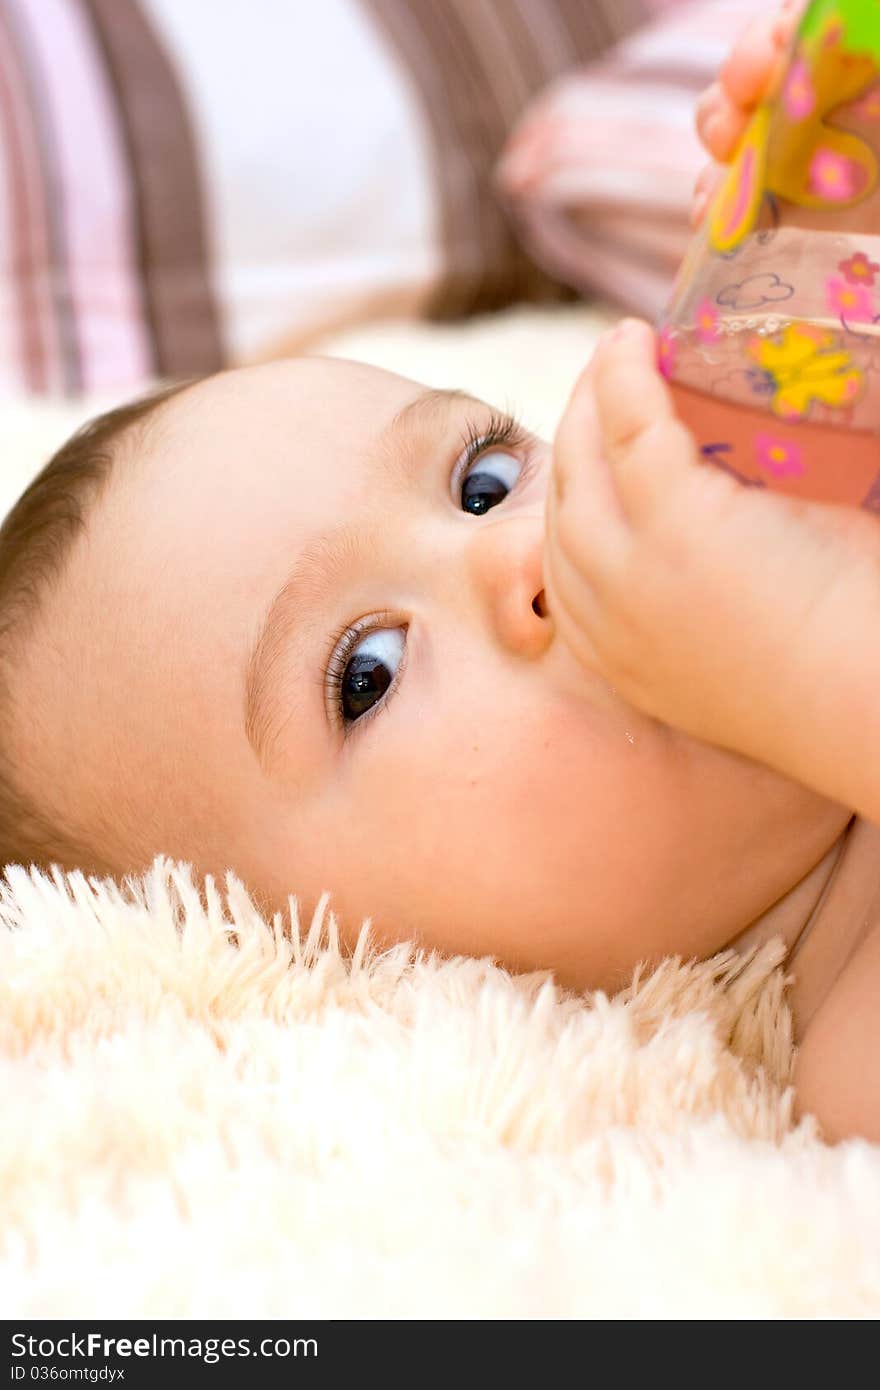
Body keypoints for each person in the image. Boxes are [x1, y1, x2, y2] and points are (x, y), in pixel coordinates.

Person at [1, 5, 877, 1144]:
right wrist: (808, 647)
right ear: (336, 971)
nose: (516, 548)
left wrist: (833, 234)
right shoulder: (854, 1056)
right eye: (365, 672)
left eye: (480, 477)